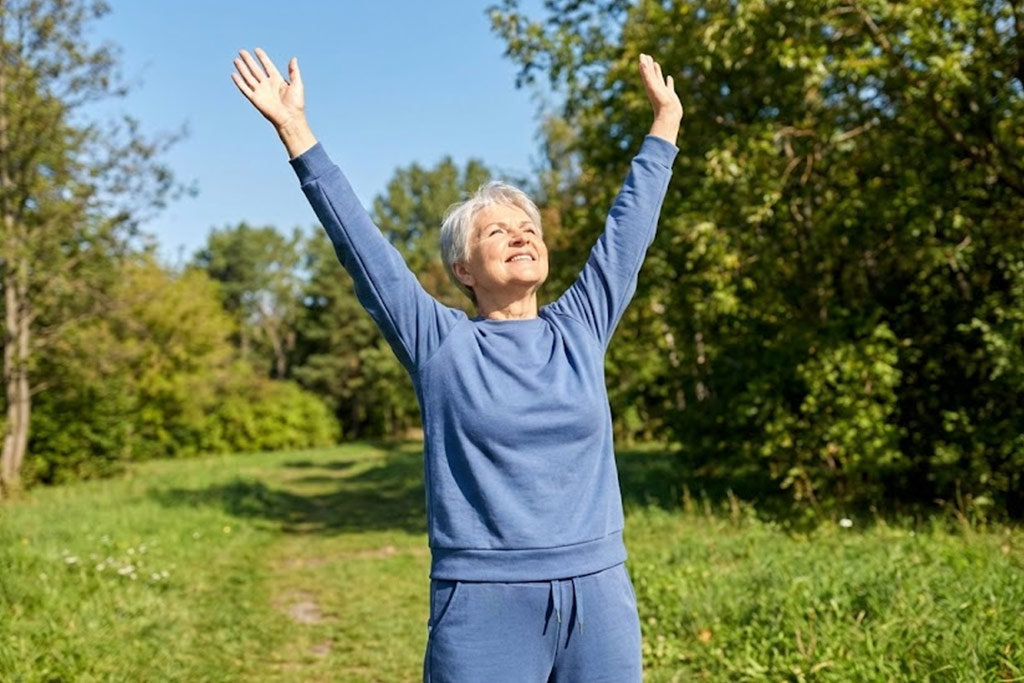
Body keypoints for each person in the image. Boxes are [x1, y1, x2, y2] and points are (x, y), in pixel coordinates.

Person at [231, 46, 682, 683]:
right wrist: (295, 130)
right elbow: (362, 246)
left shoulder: (581, 328)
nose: (522, 235)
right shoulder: (439, 343)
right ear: (464, 270)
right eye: (497, 232)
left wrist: (664, 126)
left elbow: (627, 233)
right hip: (482, 600)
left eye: (528, 227)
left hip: (599, 595)